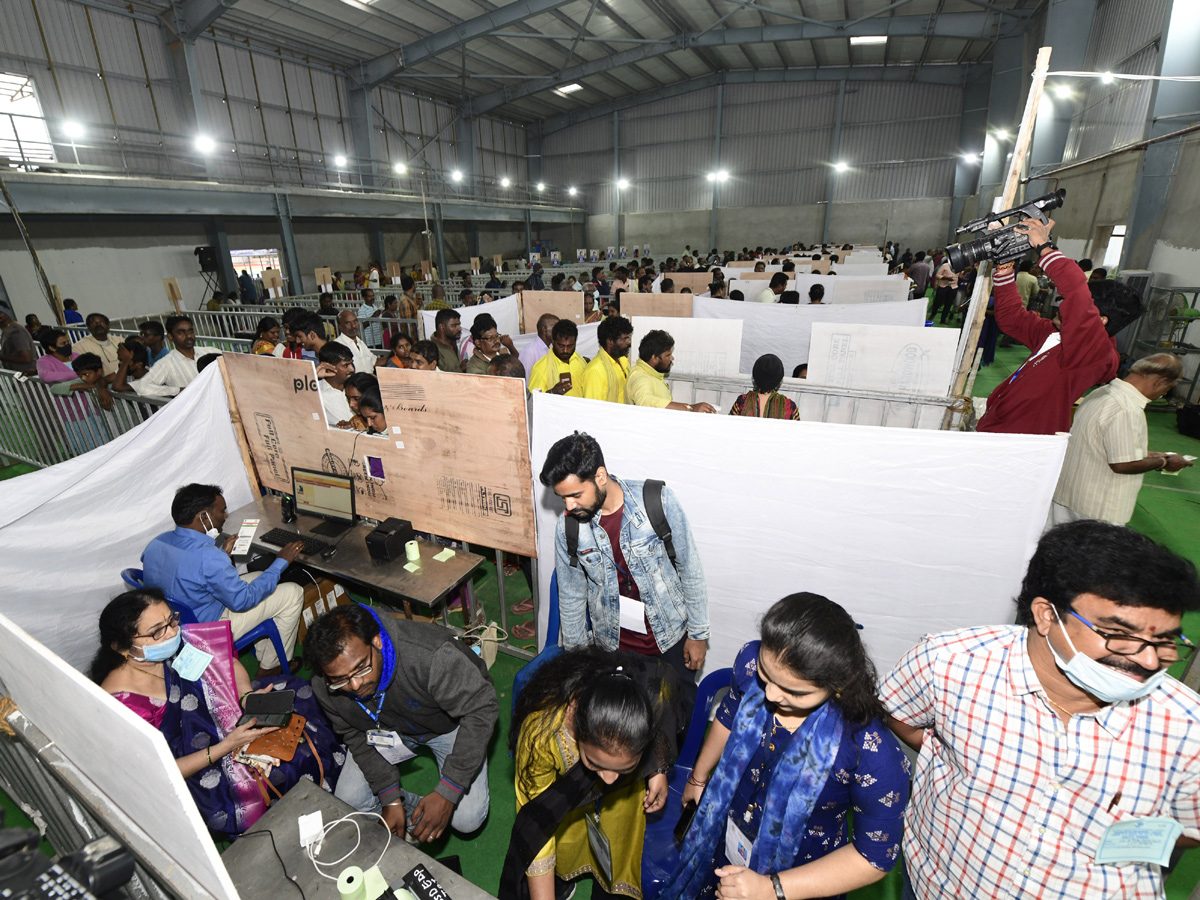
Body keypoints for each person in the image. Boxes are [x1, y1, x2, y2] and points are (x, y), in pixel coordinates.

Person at [882, 520, 1200, 900]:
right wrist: (963, 760)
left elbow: (1189, 828)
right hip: (939, 887)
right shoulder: (949, 663)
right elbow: (901, 716)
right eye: (1120, 635)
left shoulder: (1186, 728)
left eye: (1164, 639)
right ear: (1047, 615)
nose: (1148, 659)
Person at [664, 593, 910, 900]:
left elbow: (874, 856)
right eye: (766, 677)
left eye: (792, 691)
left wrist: (770, 888)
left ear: (839, 685)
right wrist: (698, 778)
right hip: (727, 828)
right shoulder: (750, 662)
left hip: (801, 872)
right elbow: (728, 716)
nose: (769, 695)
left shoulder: (870, 754)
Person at [91, 588, 358, 837]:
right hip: (197, 763)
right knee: (288, 762)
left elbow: (226, 662)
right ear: (122, 647)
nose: (172, 633)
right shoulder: (120, 705)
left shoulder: (175, 644)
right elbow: (158, 771)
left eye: (172, 621)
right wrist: (226, 746)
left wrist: (246, 696)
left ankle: (345, 772)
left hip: (227, 711)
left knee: (298, 694)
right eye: (157, 631)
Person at [500, 647, 687, 900]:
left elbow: (665, 693)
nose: (609, 779)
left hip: (626, 794)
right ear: (576, 721)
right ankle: (562, 880)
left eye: (624, 767)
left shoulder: (649, 691)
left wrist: (657, 769)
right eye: (594, 762)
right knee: (564, 837)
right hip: (564, 798)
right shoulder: (541, 734)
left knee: (619, 835)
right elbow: (538, 825)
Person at [306, 604, 498, 841]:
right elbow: (354, 735)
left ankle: (434, 809)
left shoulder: (430, 656)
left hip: (447, 724)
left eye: (361, 668)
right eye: (339, 680)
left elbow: (482, 708)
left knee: (467, 819)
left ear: (377, 641)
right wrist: (390, 797)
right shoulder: (325, 686)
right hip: (382, 728)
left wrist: (448, 792)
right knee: (351, 800)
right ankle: (414, 812)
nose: (354, 686)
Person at [540, 432, 709, 694]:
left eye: (575, 495)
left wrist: (698, 635)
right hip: (611, 648)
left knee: (677, 723)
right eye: (563, 498)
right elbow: (572, 594)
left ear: (599, 476)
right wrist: (579, 660)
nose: (569, 505)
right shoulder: (568, 528)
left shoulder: (657, 501)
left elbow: (690, 567)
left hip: (670, 641)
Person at [976, 221, 1143, 435]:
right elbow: (1012, 318)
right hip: (1001, 428)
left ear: (1100, 320)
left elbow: (1075, 291)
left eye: (1074, 305)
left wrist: (1045, 247)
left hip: (1024, 443)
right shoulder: (1055, 336)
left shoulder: (1094, 354)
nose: (1062, 303)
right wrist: (1005, 265)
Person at [141, 484, 305, 675]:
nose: (225, 516)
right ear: (204, 517)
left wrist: (221, 557)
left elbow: (188, 573)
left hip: (180, 621)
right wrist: (280, 562)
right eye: (222, 511)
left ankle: (266, 652)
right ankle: (271, 667)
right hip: (207, 630)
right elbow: (243, 601)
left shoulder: (157, 543)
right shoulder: (208, 557)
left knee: (260, 578)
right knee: (293, 592)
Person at [1051, 353, 1192, 526]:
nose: (1164, 393)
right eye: (1168, 388)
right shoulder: (1128, 409)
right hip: (1097, 508)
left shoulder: (1100, 393)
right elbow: (1122, 465)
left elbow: (1099, 444)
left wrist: (1149, 455)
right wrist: (1164, 462)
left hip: (1068, 495)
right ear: (1160, 382)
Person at [625, 330, 716, 413]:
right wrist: (690, 408)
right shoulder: (640, 377)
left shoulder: (652, 373)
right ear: (654, 358)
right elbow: (645, 401)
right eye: (668, 355)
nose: (672, 358)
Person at [134, 315, 222, 398]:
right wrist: (180, 390)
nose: (188, 336)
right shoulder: (166, 363)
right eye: (181, 332)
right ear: (170, 337)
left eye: (190, 331)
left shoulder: (211, 351)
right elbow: (142, 387)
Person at [728, 354, 800, 420]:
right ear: (779, 379)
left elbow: (729, 427)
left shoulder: (742, 401)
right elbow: (798, 432)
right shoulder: (790, 406)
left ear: (755, 376)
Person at [582, 315, 633, 403]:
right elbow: (592, 409)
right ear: (610, 342)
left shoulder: (623, 361)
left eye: (629, 337)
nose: (629, 342)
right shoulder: (595, 371)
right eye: (625, 339)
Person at [529, 319, 586, 397]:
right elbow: (533, 403)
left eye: (570, 346)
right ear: (553, 341)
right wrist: (552, 392)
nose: (565, 351)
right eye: (561, 346)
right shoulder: (540, 368)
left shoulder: (580, 361)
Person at [316, 342, 357, 428]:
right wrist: (313, 375)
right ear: (328, 367)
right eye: (346, 365)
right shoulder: (316, 392)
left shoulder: (358, 386)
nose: (352, 369)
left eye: (351, 363)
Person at [71, 312, 120, 377]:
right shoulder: (78, 347)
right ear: (88, 328)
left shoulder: (120, 340)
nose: (98, 324)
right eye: (94, 323)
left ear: (108, 326)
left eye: (101, 322)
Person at [519, 313, 558, 385]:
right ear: (544, 330)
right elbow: (525, 381)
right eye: (555, 328)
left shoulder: (554, 348)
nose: (558, 332)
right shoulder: (529, 352)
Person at [336, 308, 378, 374]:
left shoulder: (360, 342)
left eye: (355, 321)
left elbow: (374, 361)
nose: (353, 326)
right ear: (340, 327)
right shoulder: (338, 346)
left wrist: (393, 356)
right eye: (348, 323)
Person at [0, 306, 36, 375]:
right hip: (18, 376)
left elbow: (26, 358)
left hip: (26, 377)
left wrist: (1, 357)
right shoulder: (7, 330)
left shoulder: (16, 331)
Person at [929, 258, 959, 323]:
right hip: (943, 286)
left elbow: (961, 276)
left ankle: (943, 319)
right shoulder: (945, 265)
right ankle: (933, 314)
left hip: (953, 287)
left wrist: (965, 271)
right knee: (937, 302)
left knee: (948, 304)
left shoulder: (960, 267)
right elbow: (937, 275)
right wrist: (946, 278)